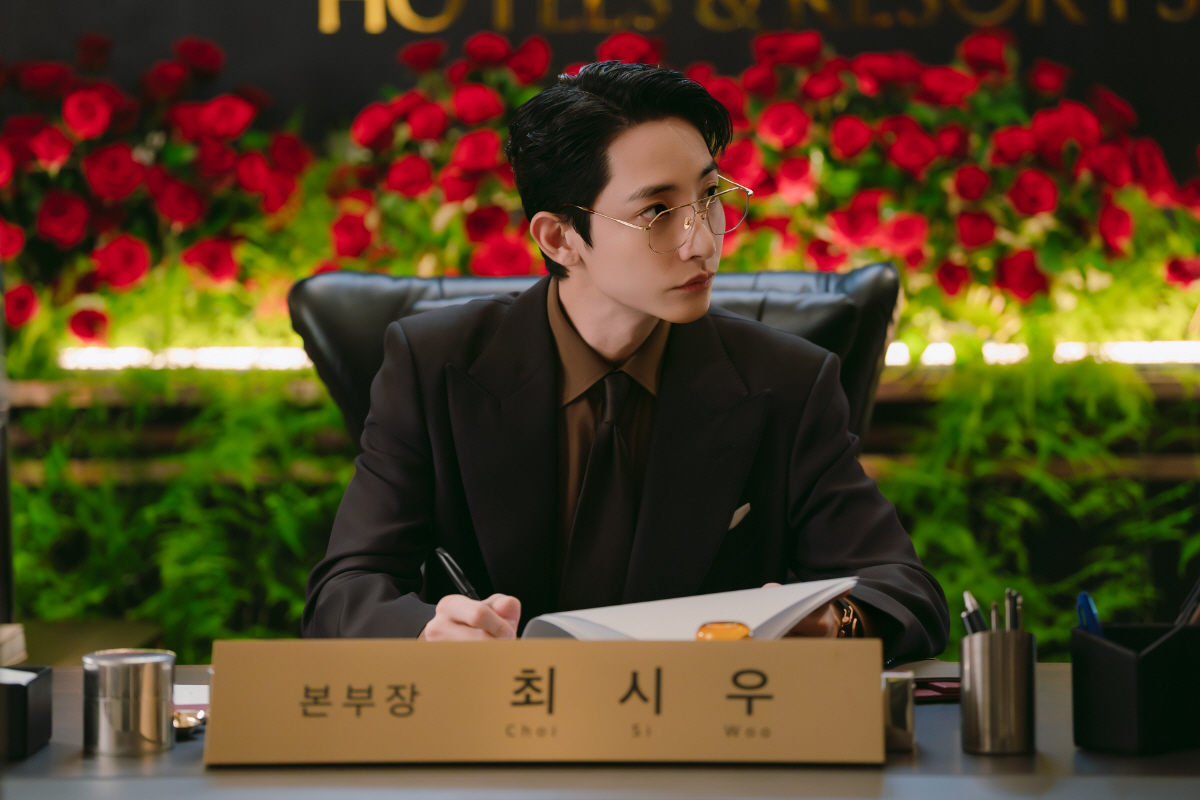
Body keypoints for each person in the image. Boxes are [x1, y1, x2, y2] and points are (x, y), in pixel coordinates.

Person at [302, 61, 950, 663]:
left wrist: (829, 623)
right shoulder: (433, 364)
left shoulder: (786, 381)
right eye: (658, 212)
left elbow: (905, 592)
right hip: (498, 728)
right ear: (560, 238)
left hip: (702, 731)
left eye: (709, 196)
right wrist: (429, 632)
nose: (703, 241)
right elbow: (344, 590)